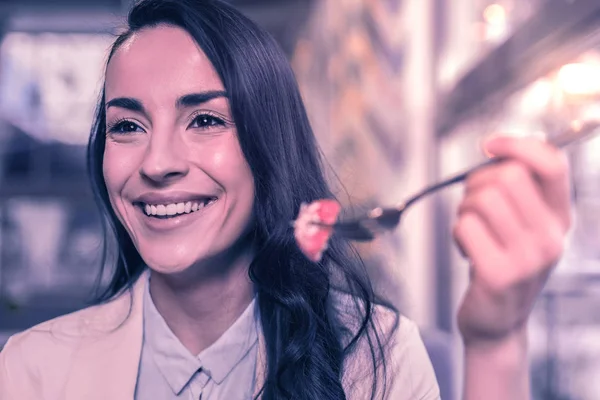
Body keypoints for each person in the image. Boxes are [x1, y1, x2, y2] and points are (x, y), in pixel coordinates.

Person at [0, 0, 572, 399]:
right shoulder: (31, 370)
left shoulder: (380, 357)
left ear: (268, 147)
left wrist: (497, 342)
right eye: (127, 127)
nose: (156, 162)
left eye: (204, 119)